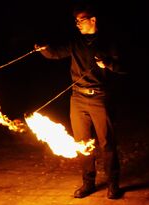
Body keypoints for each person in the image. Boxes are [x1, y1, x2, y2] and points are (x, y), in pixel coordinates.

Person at [34, 2, 123, 199]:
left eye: (80, 20)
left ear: (93, 20)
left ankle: (113, 184)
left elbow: (123, 67)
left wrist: (107, 63)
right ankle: (88, 183)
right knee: (82, 141)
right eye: (76, 21)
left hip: (100, 97)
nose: (77, 24)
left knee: (107, 142)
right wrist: (44, 49)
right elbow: (56, 53)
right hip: (78, 98)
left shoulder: (108, 41)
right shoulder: (76, 42)